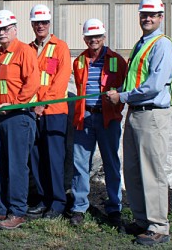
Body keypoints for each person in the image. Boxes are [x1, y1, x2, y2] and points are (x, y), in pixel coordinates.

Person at [107, 0, 172, 246]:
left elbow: (154, 85)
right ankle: (141, 220)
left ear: (161, 17)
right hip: (136, 113)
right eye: (143, 14)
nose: (147, 18)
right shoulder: (142, 44)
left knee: (152, 172)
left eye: (152, 15)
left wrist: (122, 96)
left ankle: (158, 226)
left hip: (152, 115)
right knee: (134, 170)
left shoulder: (162, 45)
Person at [0, 10, 40, 230]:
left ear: (14, 29)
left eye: (5, 29)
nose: (1, 33)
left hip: (19, 116)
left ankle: (18, 211)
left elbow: (32, 83)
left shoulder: (25, 51)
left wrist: (15, 103)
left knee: (16, 165)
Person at [70, 19, 127, 227]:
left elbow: (124, 88)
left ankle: (114, 208)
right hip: (84, 118)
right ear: (84, 38)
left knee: (111, 164)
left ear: (104, 37)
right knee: (80, 164)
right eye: (89, 37)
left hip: (107, 119)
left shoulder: (117, 60)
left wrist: (114, 110)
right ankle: (79, 207)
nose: (93, 40)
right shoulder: (79, 62)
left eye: (97, 36)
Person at [27, 4, 71, 219]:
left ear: (49, 23)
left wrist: (42, 105)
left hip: (53, 111)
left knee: (54, 158)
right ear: (32, 24)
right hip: (32, 113)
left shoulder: (60, 47)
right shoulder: (27, 49)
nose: (40, 26)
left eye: (44, 22)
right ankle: (43, 200)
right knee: (36, 158)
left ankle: (57, 203)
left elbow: (60, 82)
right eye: (37, 22)